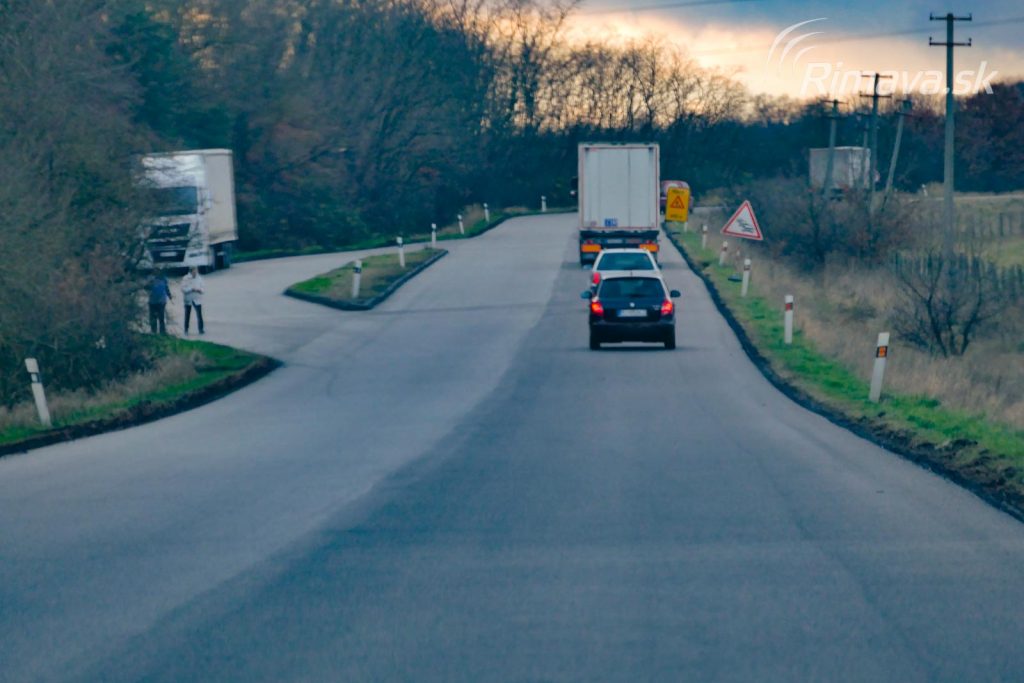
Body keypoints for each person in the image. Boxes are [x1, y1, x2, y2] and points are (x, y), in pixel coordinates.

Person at [181, 266, 205, 335]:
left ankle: (201, 329)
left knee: (199, 314)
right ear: (191, 271)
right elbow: (183, 289)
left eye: (196, 271)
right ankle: (186, 329)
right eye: (194, 271)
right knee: (187, 314)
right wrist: (191, 289)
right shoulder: (185, 278)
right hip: (188, 299)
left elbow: (203, 288)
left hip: (197, 299)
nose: (195, 272)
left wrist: (200, 290)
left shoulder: (199, 278)